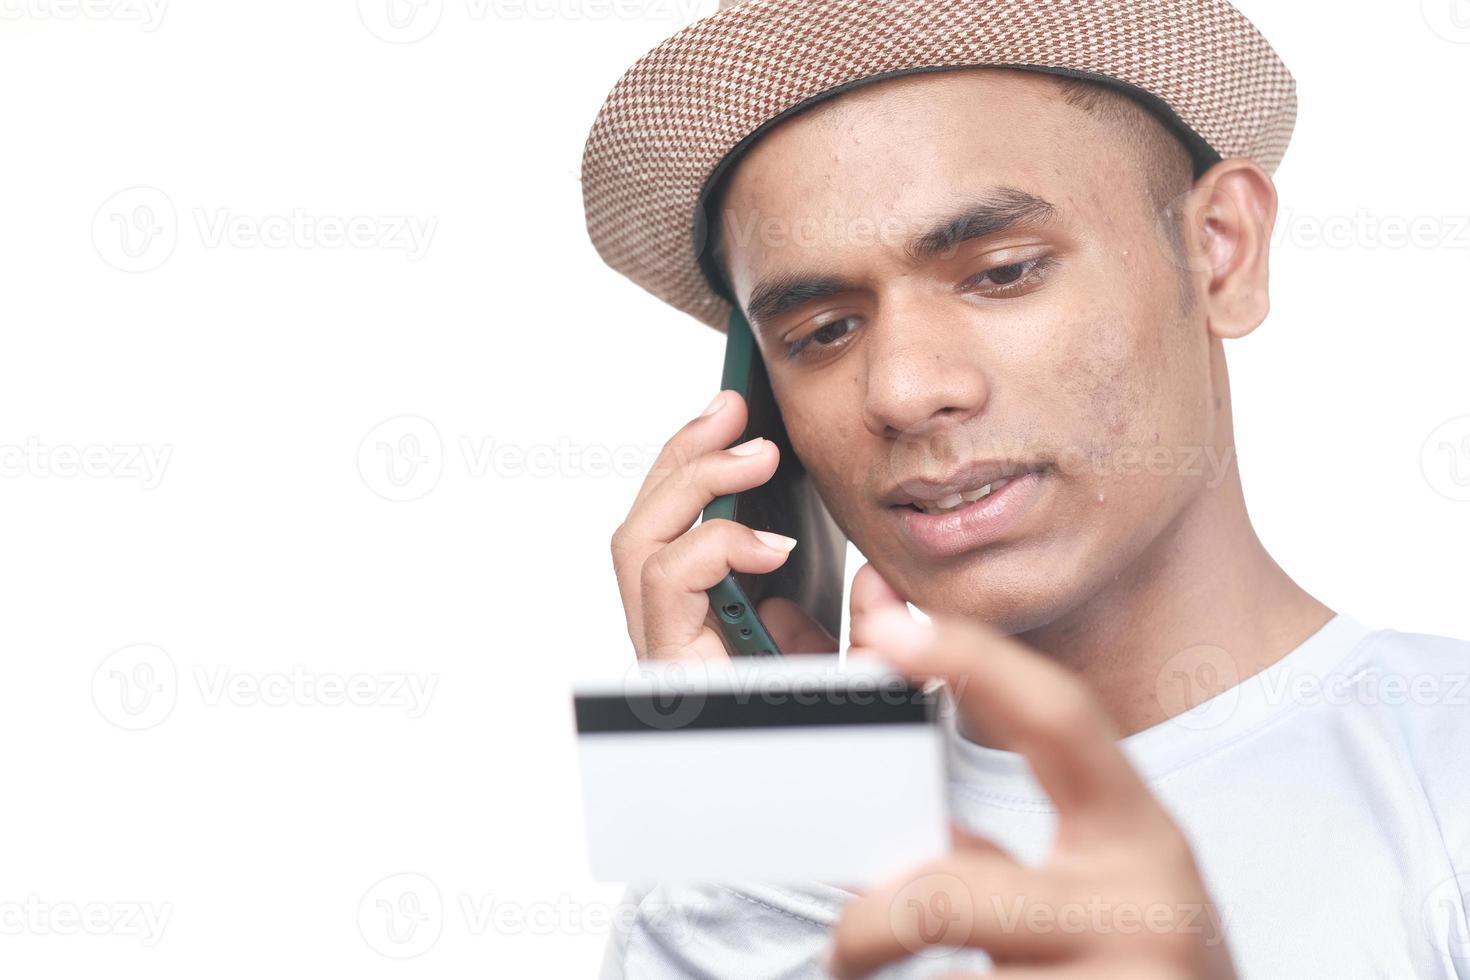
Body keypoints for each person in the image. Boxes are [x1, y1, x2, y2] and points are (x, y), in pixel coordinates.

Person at [581, 1, 1470, 976]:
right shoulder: (755, 862)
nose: (905, 389)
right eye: (822, 329)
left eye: (1001, 272)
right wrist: (741, 834)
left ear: (1221, 248)